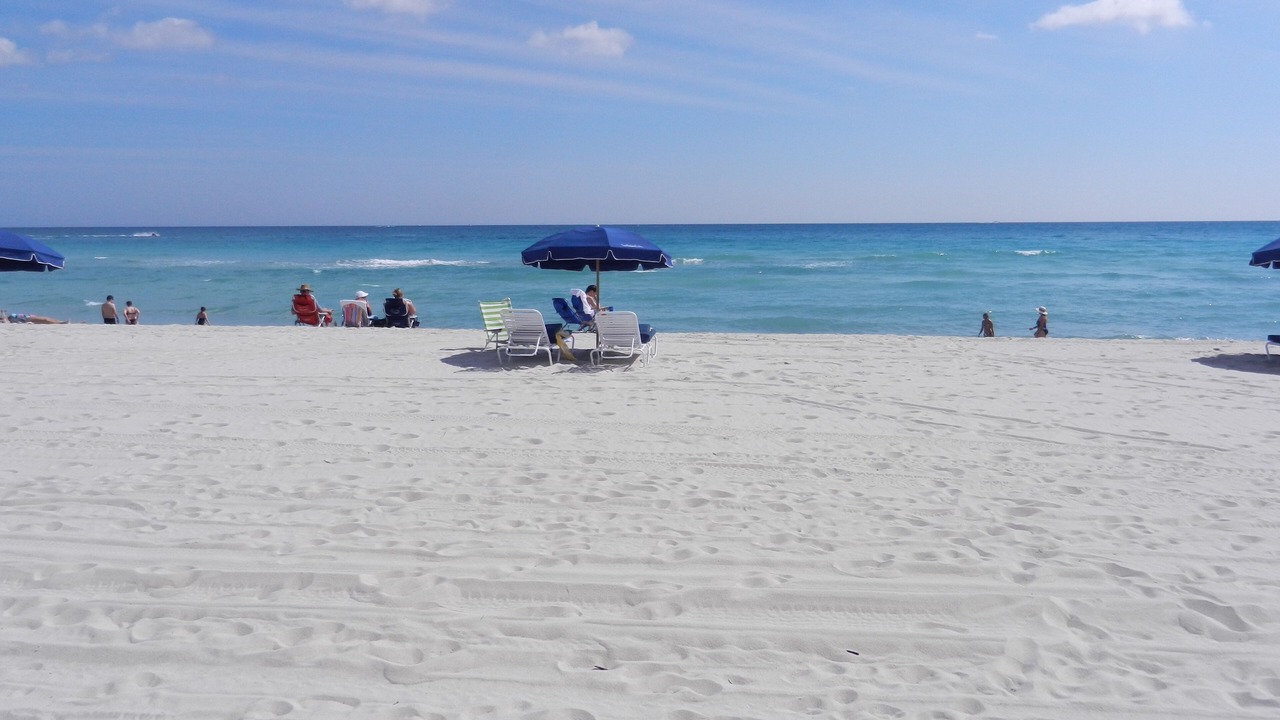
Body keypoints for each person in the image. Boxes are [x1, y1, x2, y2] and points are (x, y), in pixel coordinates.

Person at [1, 309, 69, 324]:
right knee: (44, 319)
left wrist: (3, 312)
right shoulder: (7, 319)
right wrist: (3, 314)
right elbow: (5, 322)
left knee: (44, 318)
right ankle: (59, 323)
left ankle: (59, 321)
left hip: (27, 317)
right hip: (25, 319)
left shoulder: (8, 317)